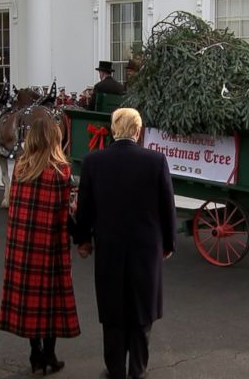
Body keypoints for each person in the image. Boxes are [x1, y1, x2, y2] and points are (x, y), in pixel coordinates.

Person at [75, 108, 177, 379]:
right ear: (138, 130)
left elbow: (85, 209)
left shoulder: (93, 162)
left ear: (112, 129)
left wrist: (83, 240)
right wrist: (168, 243)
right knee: (142, 311)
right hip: (146, 248)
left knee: (112, 310)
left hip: (109, 247)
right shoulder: (155, 161)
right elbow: (168, 207)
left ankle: (115, 369)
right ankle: (137, 370)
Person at [0, 106, 80, 375]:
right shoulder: (61, 173)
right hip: (50, 247)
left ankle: (35, 355)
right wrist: (82, 238)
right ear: (55, 139)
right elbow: (66, 215)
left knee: (30, 300)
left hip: (23, 248)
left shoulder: (20, 169)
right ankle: (49, 354)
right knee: (51, 301)